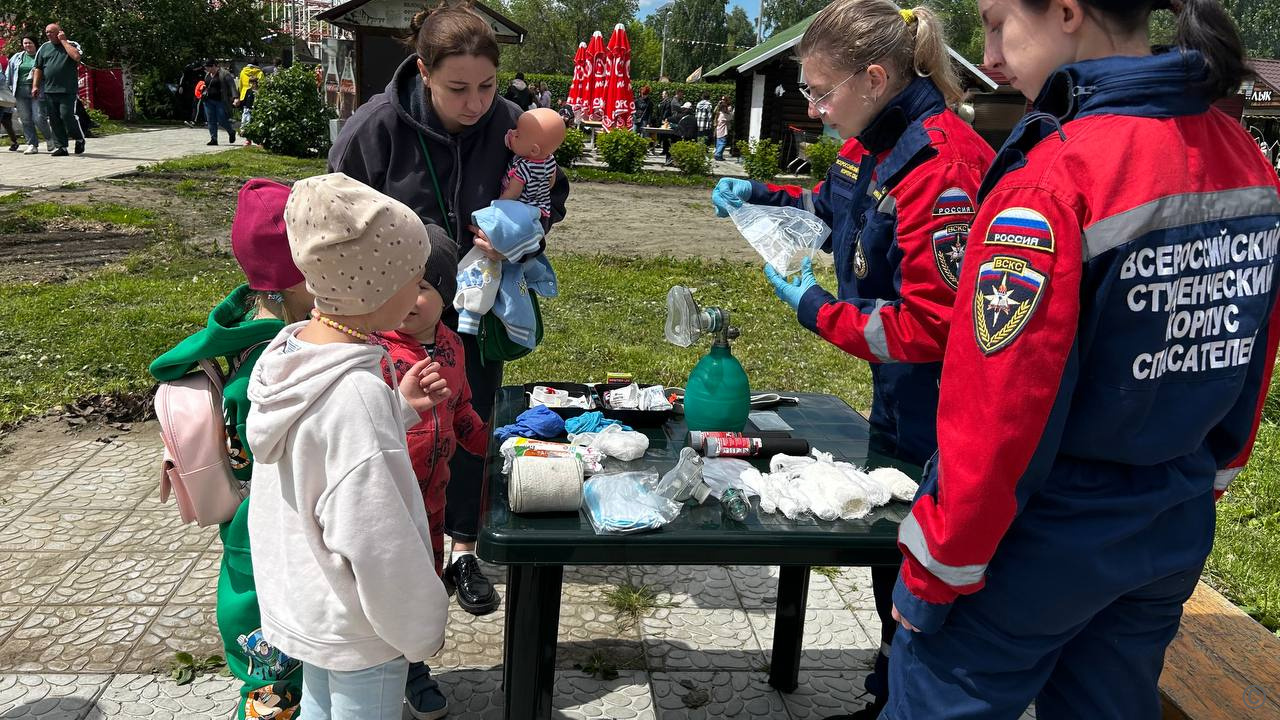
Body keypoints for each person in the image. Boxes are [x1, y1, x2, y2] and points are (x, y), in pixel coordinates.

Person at [884, 1, 1280, 719]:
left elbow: (999, 414)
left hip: (1033, 549)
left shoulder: (1053, 179)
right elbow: (1253, 352)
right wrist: (1202, 483)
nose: (990, 54)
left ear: (1067, 11)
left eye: (999, 21)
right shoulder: (1244, 156)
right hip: (1168, 529)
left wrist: (934, 573)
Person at [710, 2, 994, 717]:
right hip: (903, 402)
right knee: (895, 558)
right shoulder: (873, 141)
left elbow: (935, 325)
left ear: (873, 78)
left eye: (821, 91)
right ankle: (890, 696)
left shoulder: (942, 168)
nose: (814, 108)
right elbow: (832, 207)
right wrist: (759, 196)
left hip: (955, 413)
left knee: (930, 580)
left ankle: (911, 702)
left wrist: (816, 309)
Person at [326, 5, 569, 715]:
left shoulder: (509, 122)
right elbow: (336, 225)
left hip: (475, 319)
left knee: (468, 434)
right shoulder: (373, 128)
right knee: (395, 468)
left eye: (488, 87)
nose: (476, 105)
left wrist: (525, 229)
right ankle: (398, 644)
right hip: (389, 333)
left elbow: (551, 193)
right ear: (423, 73)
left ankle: (462, 551)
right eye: (458, 88)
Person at [247, 172, 452, 720]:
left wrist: (397, 407)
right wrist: (420, 624)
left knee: (319, 704)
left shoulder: (290, 357)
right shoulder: (355, 393)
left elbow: (324, 457)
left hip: (309, 602)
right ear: (378, 288)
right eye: (414, 276)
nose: (419, 291)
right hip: (360, 621)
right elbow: (376, 537)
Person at [149, 179, 314, 720]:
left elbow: (168, 363)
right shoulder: (275, 362)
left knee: (254, 592)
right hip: (263, 511)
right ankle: (266, 698)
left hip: (256, 507)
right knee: (254, 604)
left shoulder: (244, 325)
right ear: (298, 278)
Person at [371, 223, 488, 720]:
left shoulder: (452, 347)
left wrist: (492, 446)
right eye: (399, 284)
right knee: (383, 591)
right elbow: (364, 428)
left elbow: (460, 408)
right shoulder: (372, 352)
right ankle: (376, 668)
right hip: (385, 501)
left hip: (432, 502)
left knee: (424, 588)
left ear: (448, 295)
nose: (410, 298)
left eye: (423, 286)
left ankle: (415, 669)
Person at [31, 23, 83, 156]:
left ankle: (79, 138)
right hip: (49, 89)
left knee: (67, 116)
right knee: (54, 119)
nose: (48, 34)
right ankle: (62, 147)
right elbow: (38, 68)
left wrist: (64, 41)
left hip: (67, 89)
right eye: (47, 32)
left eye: (51, 32)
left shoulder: (71, 44)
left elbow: (77, 57)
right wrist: (35, 86)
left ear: (59, 32)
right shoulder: (44, 47)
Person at [7, 36, 53, 153]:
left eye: (30, 43)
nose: (27, 45)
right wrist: (8, 88)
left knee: (38, 117)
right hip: (20, 90)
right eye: (25, 43)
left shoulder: (42, 55)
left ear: (35, 43)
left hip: (37, 90)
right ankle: (32, 144)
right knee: (25, 119)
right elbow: (9, 73)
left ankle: (49, 138)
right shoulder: (17, 57)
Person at [202, 59, 237, 146]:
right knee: (211, 120)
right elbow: (207, 85)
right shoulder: (207, 74)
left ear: (214, 65)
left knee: (222, 119)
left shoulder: (224, 74)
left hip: (221, 101)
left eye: (208, 67)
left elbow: (232, 85)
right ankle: (214, 139)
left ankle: (231, 132)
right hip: (208, 100)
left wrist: (235, 98)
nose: (207, 69)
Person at [234, 75, 258, 146]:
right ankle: (248, 140)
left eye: (253, 83)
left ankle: (258, 141)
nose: (252, 84)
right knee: (245, 125)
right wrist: (238, 104)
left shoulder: (258, 91)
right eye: (250, 83)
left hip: (254, 110)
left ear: (257, 83)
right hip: (246, 110)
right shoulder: (248, 91)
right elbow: (244, 101)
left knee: (255, 126)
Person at [713, 96, 733, 161]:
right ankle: (718, 155)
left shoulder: (719, 114)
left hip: (718, 131)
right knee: (723, 143)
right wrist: (728, 112)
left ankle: (718, 155)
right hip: (722, 131)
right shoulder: (723, 115)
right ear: (723, 109)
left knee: (719, 143)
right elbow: (731, 117)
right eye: (725, 108)